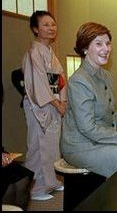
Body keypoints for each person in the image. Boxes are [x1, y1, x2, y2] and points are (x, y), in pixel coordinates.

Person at [61, 22, 117, 178]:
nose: (106, 49)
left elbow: (113, 112)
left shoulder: (105, 75)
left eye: (108, 43)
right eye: (99, 44)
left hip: (102, 141)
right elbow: (87, 127)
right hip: (82, 146)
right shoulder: (79, 81)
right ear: (85, 48)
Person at [21, 10, 66, 200]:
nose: (51, 28)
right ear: (35, 29)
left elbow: (60, 80)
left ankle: (51, 181)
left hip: (53, 104)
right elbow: (37, 85)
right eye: (45, 25)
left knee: (51, 146)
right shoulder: (34, 52)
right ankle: (36, 188)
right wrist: (57, 104)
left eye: (53, 24)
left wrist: (63, 101)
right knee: (39, 146)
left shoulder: (49, 52)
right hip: (39, 106)